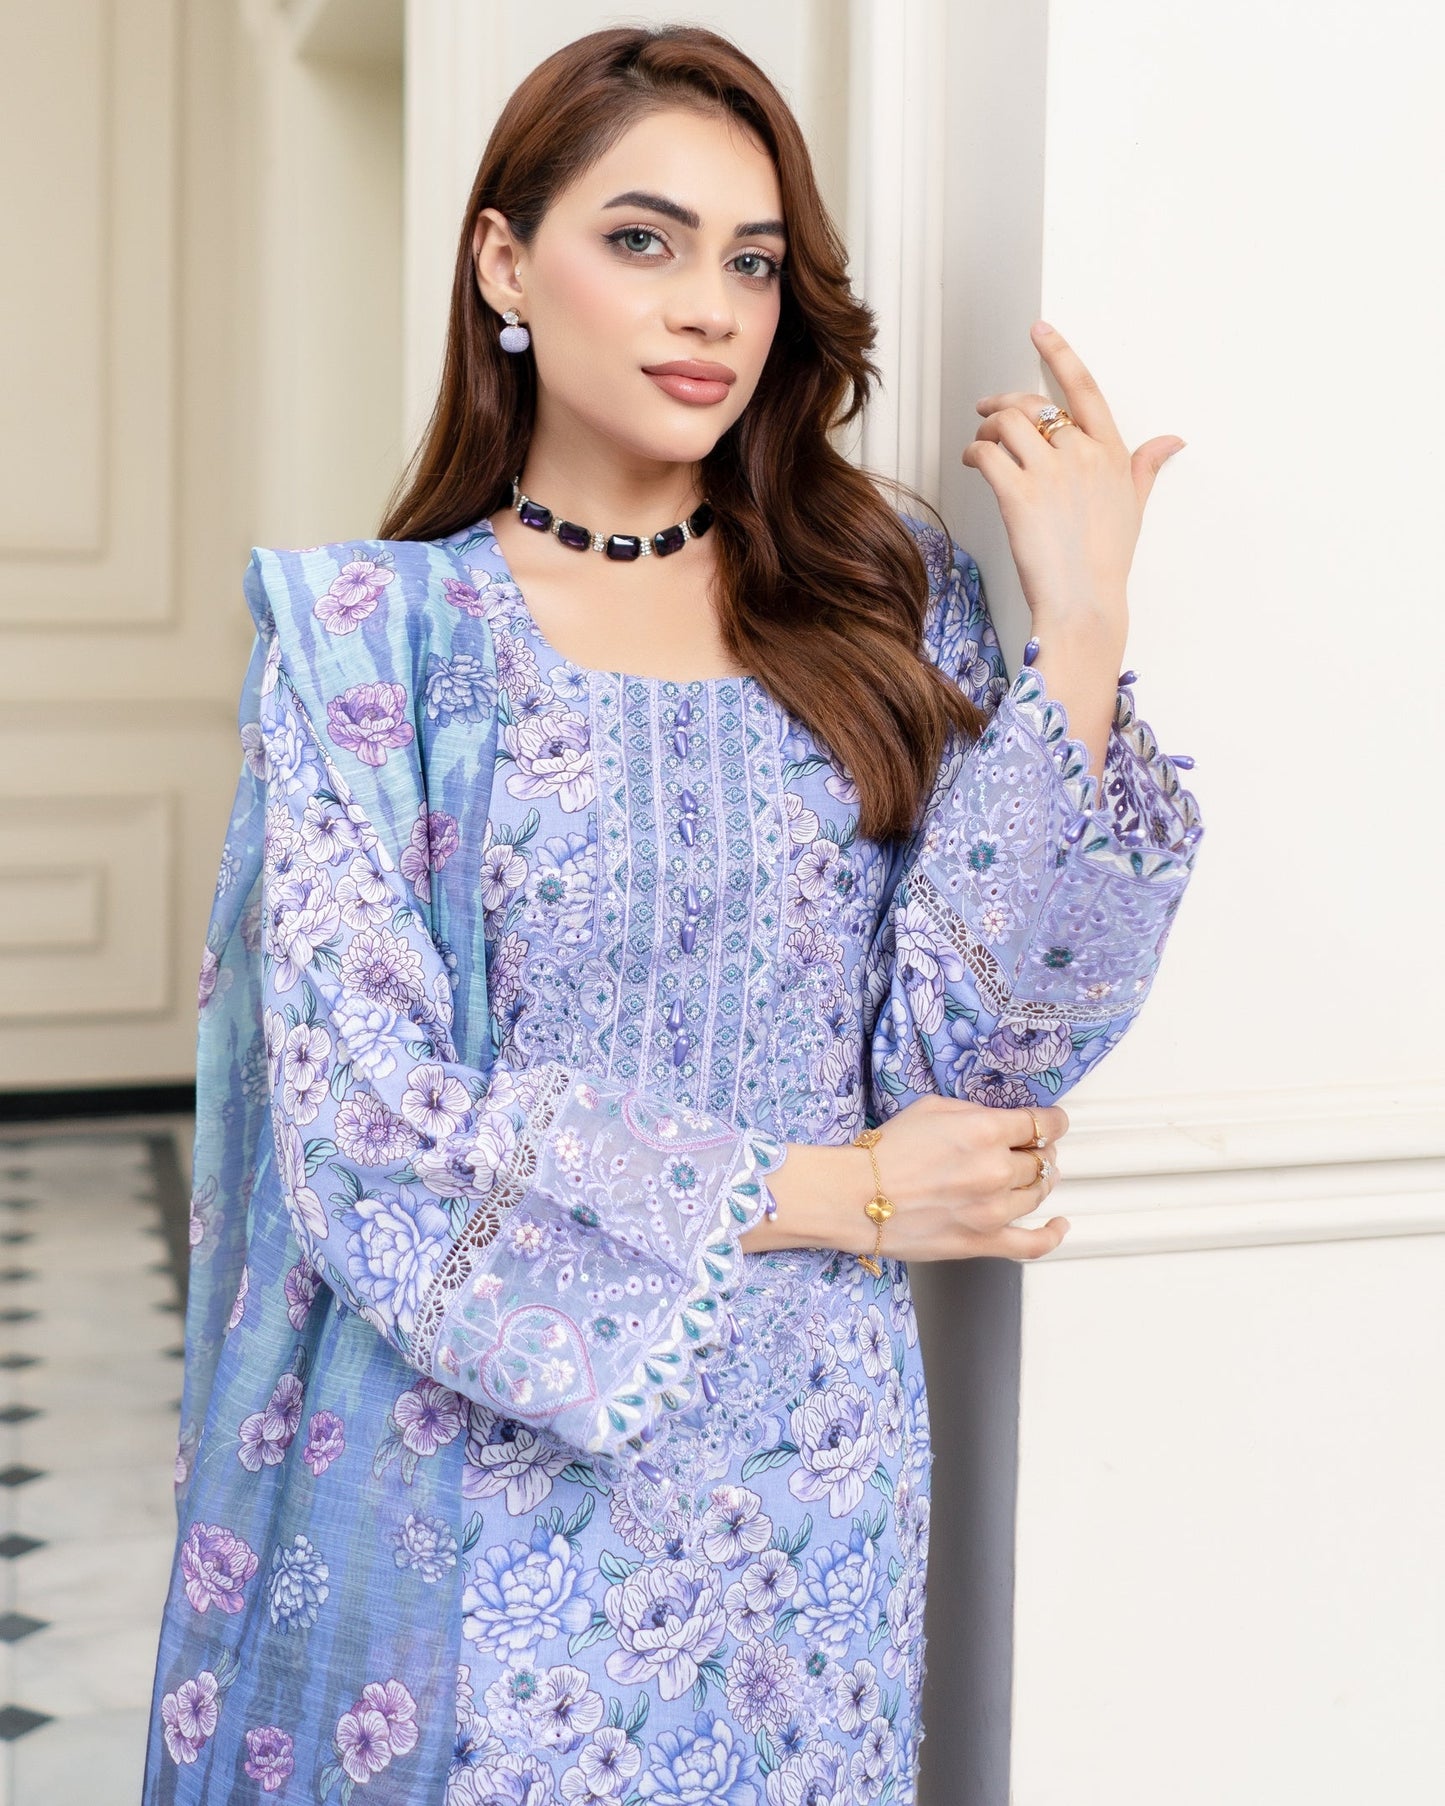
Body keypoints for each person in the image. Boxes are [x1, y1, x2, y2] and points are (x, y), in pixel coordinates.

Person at [143, 23, 1202, 1805]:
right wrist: (833, 1193)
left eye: (752, 261)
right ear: (504, 263)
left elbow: (974, 1063)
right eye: (641, 240)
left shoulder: (880, 597)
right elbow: (362, 1124)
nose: (708, 306)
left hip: (812, 1488)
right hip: (475, 1495)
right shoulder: (370, 646)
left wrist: (1079, 634)